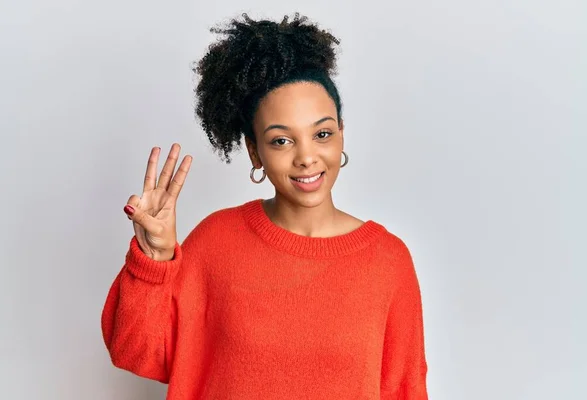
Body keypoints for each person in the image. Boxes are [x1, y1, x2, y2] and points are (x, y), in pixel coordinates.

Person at [101, 12, 428, 400]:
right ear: (254, 151)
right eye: (281, 141)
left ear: (342, 134)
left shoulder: (388, 261)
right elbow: (137, 354)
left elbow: (405, 391)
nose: (306, 157)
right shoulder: (217, 241)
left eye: (322, 133)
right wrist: (153, 260)